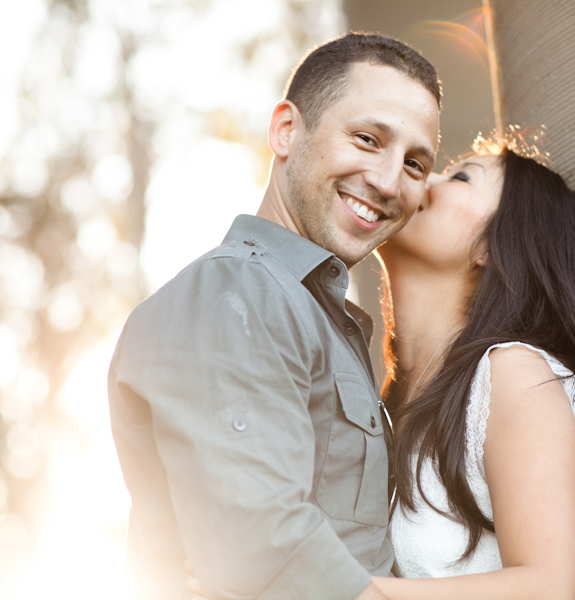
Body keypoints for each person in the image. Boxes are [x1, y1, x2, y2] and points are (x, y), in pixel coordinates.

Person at [108, 33, 441, 600]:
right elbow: (265, 551)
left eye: (414, 163)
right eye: (366, 139)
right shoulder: (235, 293)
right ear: (286, 130)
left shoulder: (313, 312)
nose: (388, 182)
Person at [367, 134, 575, 599]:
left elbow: (544, 588)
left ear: (493, 246)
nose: (424, 179)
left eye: (459, 176)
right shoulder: (380, 403)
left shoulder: (513, 376)